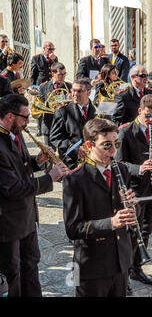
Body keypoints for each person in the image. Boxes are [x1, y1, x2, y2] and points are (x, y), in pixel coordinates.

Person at [0, 94, 67, 297]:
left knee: (31, 265)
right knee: (13, 272)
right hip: (9, 223)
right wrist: (50, 178)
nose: (28, 122)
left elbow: (18, 164)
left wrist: (37, 161)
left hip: (27, 217)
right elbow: (12, 188)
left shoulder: (15, 131)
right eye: (25, 117)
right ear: (10, 116)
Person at [63, 118, 136, 297]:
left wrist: (133, 207)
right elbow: (73, 229)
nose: (113, 150)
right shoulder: (75, 179)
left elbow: (128, 216)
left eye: (116, 143)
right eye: (106, 145)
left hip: (121, 260)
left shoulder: (122, 170)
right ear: (89, 145)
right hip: (91, 266)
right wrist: (111, 222)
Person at [116, 94, 152, 290]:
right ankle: (125, 272)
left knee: (146, 229)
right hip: (135, 189)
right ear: (140, 111)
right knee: (132, 232)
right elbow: (120, 163)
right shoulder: (125, 132)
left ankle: (137, 268)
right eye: (148, 116)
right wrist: (139, 168)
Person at [50, 78, 97, 170]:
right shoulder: (63, 111)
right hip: (72, 162)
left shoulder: (97, 110)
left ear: (89, 92)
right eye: (73, 90)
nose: (75, 94)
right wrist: (75, 149)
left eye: (79, 91)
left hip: (95, 160)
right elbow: (55, 137)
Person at [38, 62, 72, 148]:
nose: (63, 76)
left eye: (64, 74)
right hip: (49, 123)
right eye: (60, 74)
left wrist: (71, 100)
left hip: (64, 125)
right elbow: (39, 104)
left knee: (64, 154)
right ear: (53, 74)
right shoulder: (44, 86)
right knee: (49, 154)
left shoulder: (69, 86)